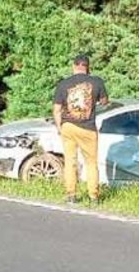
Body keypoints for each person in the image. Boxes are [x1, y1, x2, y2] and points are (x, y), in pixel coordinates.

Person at [53, 55, 108, 204]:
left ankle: (71, 195)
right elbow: (104, 102)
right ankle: (93, 196)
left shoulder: (63, 84)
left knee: (70, 161)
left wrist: (59, 127)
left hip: (68, 127)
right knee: (91, 163)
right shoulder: (96, 82)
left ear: (74, 66)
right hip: (88, 128)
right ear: (88, 67)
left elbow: (57, 110)